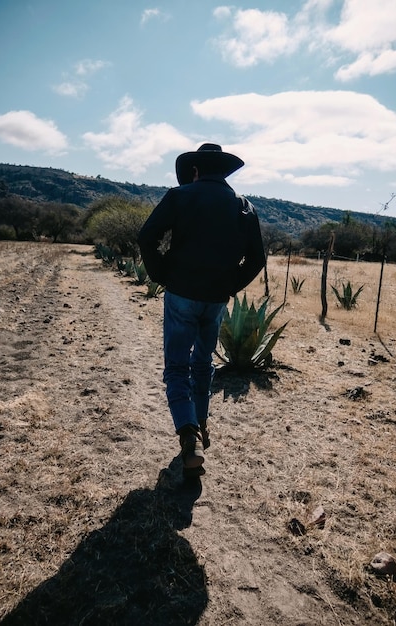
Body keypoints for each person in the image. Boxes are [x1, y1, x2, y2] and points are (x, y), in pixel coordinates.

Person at [137, 143, 265, 476]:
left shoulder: (180, 197)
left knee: (177, 367)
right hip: (216, 299)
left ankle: (189, 436)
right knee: (202, 362)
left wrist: (162, 274)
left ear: (195, 171)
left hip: (181, 294)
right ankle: (202, 423)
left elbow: (147, 236)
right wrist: (229, 285)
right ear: (224, 172)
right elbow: (257, 259)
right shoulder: (244, 207)